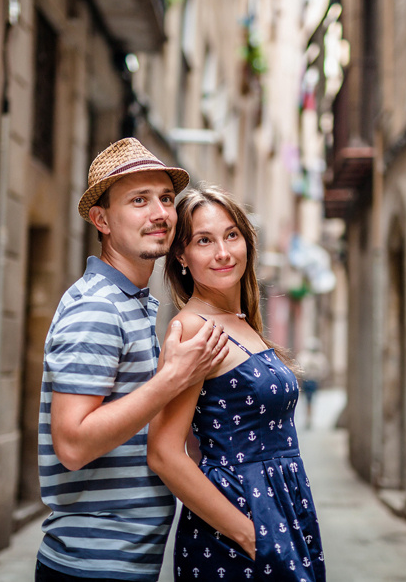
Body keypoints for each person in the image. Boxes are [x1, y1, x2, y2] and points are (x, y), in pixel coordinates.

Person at [37, 139, 231, 582]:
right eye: (139, 200)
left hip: (118, 564)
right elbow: (72, 445)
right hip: (93, 565)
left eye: (165, 198)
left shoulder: (132, 303)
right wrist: (172, 378)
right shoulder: (98, 308)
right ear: (101, 220)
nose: (160, 213)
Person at [148, 183, 326, 581]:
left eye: (231, 235)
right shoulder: (193, 328)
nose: (223, 252)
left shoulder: (241, 321)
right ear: (181, 256)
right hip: (236, 526)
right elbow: (164, 452)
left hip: (282, 508)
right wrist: (250, 535)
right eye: (204, 241)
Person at [298, 338, 328, 429]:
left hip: (313, 381)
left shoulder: (320, 357)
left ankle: (309, 418)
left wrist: (318, 376)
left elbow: (324, 370)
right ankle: (307, 417)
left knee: (311, 400)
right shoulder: (303, 356)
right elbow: (299, 367)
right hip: (306, 381)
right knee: (306, 400)